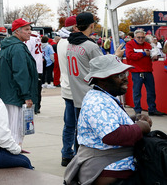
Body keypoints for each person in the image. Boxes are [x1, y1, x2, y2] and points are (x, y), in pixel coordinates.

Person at [64, 55, 152, 184]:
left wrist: (134, 119)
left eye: (125, 73)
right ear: (102, 79)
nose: (126, 79)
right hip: (108, 168)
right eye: (120, 75)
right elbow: (112, 135)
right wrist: (142, 126)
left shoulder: (103, 96)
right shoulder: (97, 101)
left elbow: (109, 122)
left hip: (112, 163)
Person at [0, 18, 39, 146]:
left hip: (8, 94)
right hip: (15, 95)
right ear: (17, 32)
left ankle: (11, 153)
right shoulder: (17, 48)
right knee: (16, 130)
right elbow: (21, 74)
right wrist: (27, 96)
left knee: (9, 128)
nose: (30, 32)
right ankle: (13, 155)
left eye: (30, 29)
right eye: (27, 29)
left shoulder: (8, 46)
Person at [125, 28, 164, 116]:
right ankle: (138, 110)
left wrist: (155, 57)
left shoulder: (148, 45)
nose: (141, 39)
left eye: (142, 37)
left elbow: (152, 56)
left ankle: (152, 109)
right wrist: (143, 54)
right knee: (137, 92)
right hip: (136, 71)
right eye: (139, 37)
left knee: (151, 91)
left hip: (148, 71)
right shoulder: (129, 44)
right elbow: (130, 56)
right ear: (135, 37)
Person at [57, 15, 79, 166]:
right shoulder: (71, 43)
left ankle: (66, 154)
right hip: (76, 88)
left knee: (69, 124)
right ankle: (77, 155)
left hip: (66, 86)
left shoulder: (61, 41)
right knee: (79, 125)